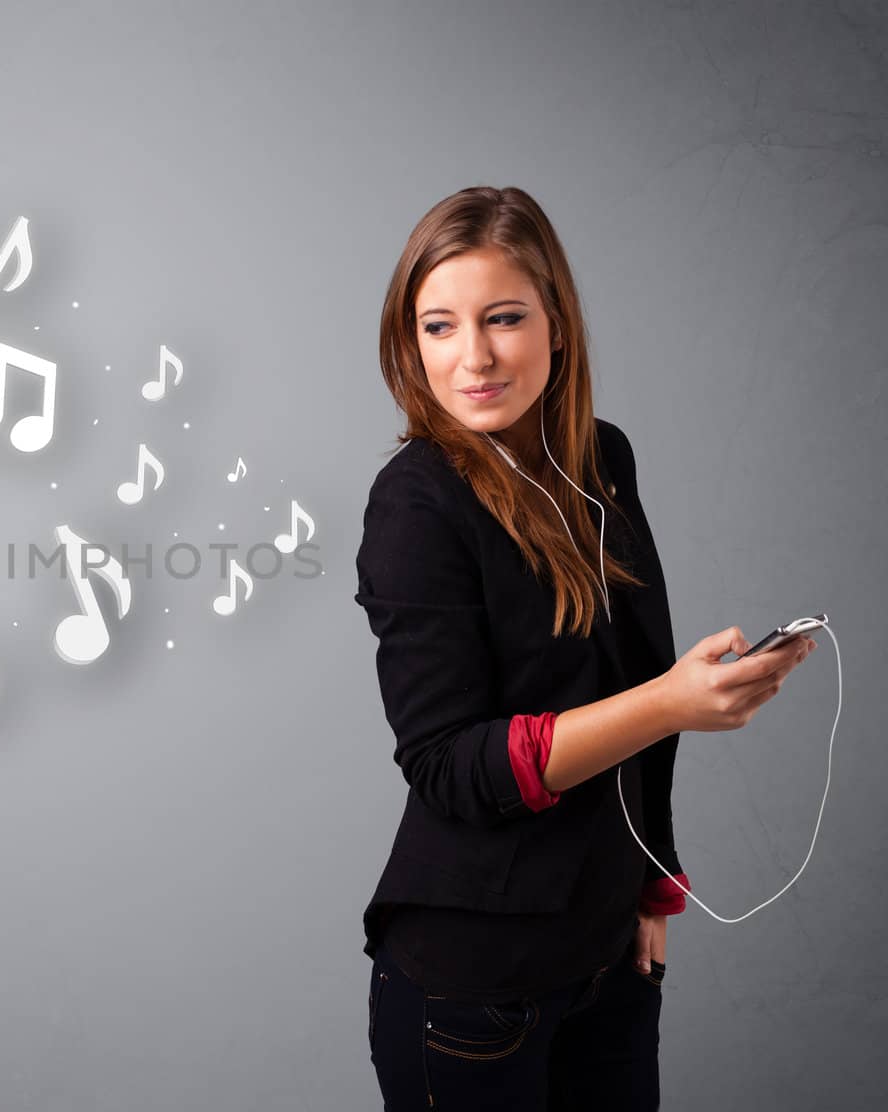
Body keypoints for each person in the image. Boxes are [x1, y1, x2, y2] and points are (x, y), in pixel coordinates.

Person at [355, 185, 816, 1110]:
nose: (474, 357)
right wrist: (672, 703)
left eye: (504, 318)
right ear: (411, 345)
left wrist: (654, 885)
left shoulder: (602, 458)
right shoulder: (415, 502)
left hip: (607, 956)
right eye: (439, 327)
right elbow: (449, 764)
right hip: (474, 987)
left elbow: (635, 681)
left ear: (557, 325)